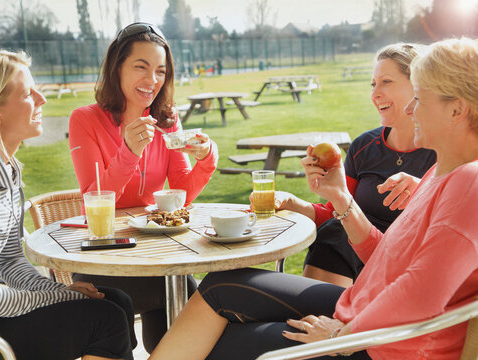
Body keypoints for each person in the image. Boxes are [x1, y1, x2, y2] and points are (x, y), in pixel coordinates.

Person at [148, 37, 478, 360]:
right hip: (362, 308)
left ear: (457, 110)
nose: (409, 108)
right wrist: (339, 196)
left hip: (385, 346)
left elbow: (421, 296)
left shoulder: (469, 184)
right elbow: (388, 258)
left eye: (419, 97)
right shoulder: (442, 171)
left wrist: (342, 335)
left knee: (214, 340)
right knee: (221, 285)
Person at [0, 49, 137, 360]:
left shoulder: (7, 170)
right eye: (28, 94)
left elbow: (9, 262)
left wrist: (60, 293)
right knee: (105, 320)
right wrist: (49, 299)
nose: (42, 100)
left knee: (116, 302)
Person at [68, 22, 218, 353]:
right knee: (192, 303)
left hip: (155, 255)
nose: (152, 80)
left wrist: (207, 157)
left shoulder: (167, 119)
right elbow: (95, 197)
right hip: (104, 260)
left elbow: (182, 190)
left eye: (160, 71)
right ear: (116, 67)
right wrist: (129, 152)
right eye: (141, 67)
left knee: (192, 311)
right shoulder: (85, 120)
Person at [269, 43, 436, 288]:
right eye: (373, 84)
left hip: (398, 274)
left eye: (386, 82)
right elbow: (334, 212)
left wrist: (426, 190)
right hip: (347, 262)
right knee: (335, 230)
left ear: (418, 85)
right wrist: (291, 203)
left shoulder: (444, 152)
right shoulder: (364, 146)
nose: (375, 94)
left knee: (337, 232)